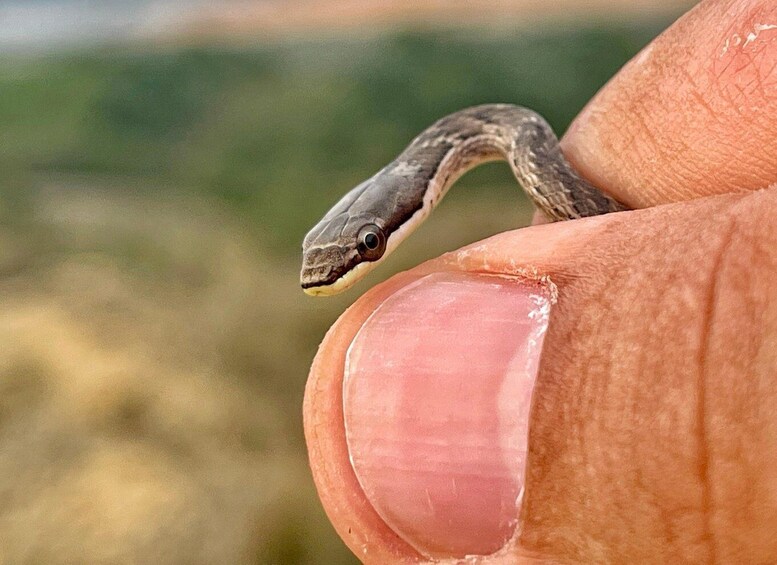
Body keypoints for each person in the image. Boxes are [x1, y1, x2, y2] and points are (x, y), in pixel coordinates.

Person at [304, 0, 777, 561]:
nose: (355, 261)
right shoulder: (482, 141)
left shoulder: (509, 135)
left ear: (416, 200)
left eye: (368, 245)